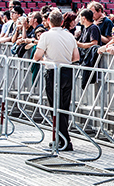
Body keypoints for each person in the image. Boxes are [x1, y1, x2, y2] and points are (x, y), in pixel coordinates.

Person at [33, 10, 80, 151]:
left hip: (53, 71)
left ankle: (64, 140)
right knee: (64, 107)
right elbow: (76, 57)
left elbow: (37, 55)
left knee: (55, 107)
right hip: (67, 71)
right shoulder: (69, 35)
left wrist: (45, 59)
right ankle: (61, 139)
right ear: (61, 22)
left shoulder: (46, 36)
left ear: (48, 21)